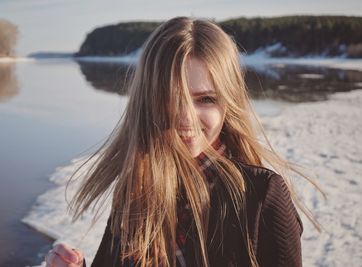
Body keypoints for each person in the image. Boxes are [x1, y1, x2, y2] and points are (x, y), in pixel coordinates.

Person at [45, 16, 321, 267]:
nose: (186, 118)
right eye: (171, 97)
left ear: (229, 103)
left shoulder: (261, 196)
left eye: (205, 99)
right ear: (147, 101)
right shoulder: (137, 187)